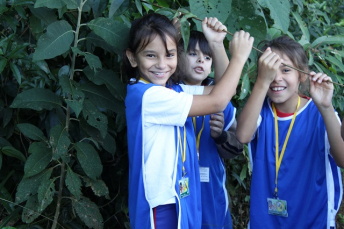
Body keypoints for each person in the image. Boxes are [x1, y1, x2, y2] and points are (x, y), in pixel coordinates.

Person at [124, 13, 253, 229]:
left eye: (169, 54)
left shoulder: (171, 90)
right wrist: (239, 58)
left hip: (179, 197)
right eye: (151, 55)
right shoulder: (147, 96)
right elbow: (218, 100)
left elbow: (222, 89)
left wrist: (216, 44)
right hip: (160, 205)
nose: (162, 64)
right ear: (132, 57)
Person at [236, 35, 344, 228]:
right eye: (270, 70)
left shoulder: (321, 112)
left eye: (285, 69)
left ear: (302, 74)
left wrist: (326, 107)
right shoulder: (259, 110)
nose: (276, 78)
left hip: (313, 221)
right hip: (265, 222)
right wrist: (262, 81)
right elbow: (243, 135)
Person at [179, 29, 243, 228]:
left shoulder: (222, 102)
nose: (201, 60)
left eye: (207, 57)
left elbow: (237, 146)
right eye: (193, 54)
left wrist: (221, 136)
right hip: (178, 189)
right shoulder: (169, 94)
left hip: (212, 192)